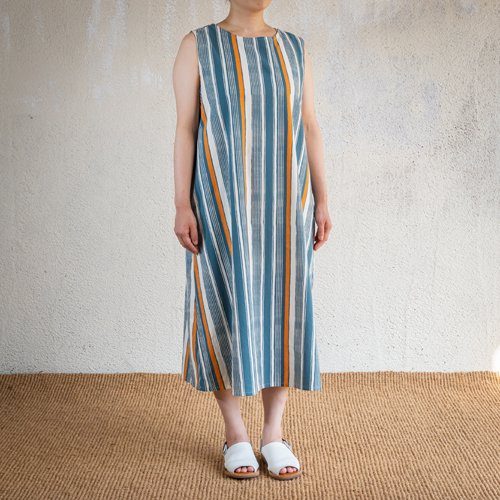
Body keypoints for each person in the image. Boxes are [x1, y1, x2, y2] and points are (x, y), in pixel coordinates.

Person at [172, 0, 332, 480]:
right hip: (221, 204)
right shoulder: (198, 45)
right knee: (222, 304)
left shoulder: (294, 49)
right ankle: (235, 432)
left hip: (285, 204)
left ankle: (274, 434)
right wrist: (182, 204)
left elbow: (310, 127)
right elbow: (185, 129)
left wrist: (323, 199)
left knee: (282, 310)